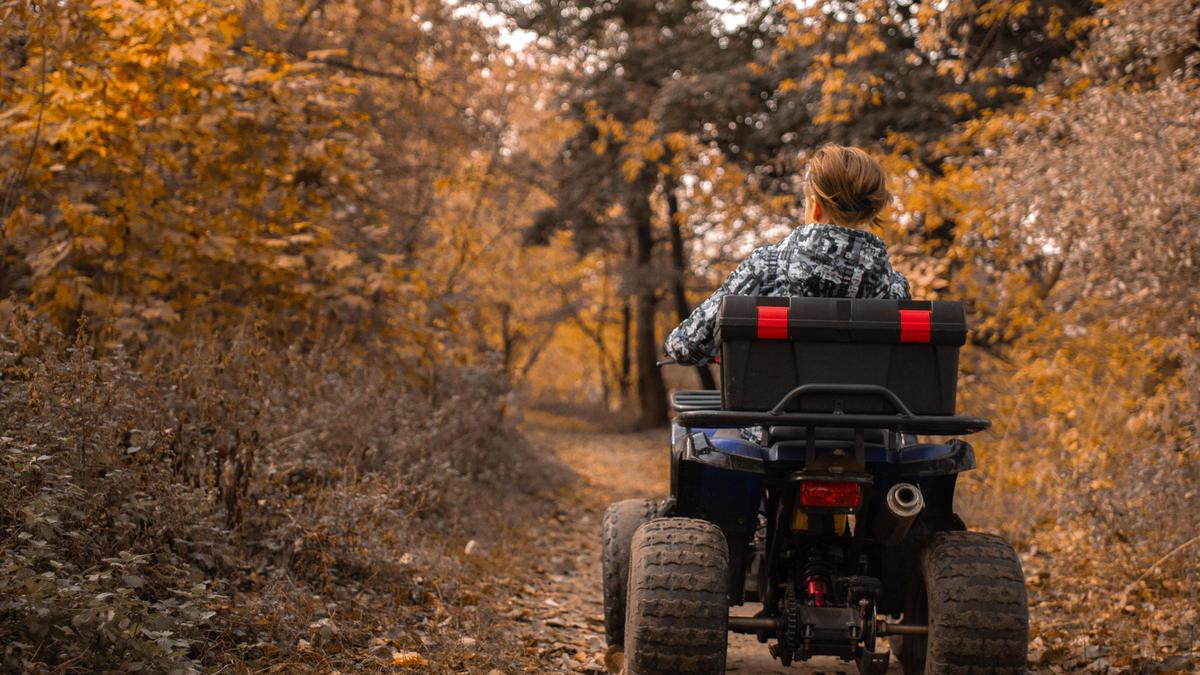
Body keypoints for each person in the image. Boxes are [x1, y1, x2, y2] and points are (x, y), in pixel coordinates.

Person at [664, 144, 911, 365]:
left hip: (770, 415)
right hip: (863, 414)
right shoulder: (892, 288)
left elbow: (685, 346)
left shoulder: (765, 267)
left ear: (815, 207)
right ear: (870, 212)